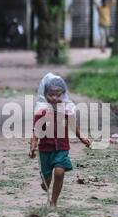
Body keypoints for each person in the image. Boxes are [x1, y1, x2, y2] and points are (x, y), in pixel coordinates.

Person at [29, 73, 91, 209]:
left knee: (59, 172)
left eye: (58, 94)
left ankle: (54, 202)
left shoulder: (67, 110)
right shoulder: (41, 111)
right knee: (47, 178)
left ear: (64, 94)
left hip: (61, 148)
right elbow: (36, 130)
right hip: (45, 149)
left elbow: (74, 126)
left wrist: (82, 138)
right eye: (51, 94)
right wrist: (33, 146)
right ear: (44, 94)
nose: (55, 98)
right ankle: (45, 181)